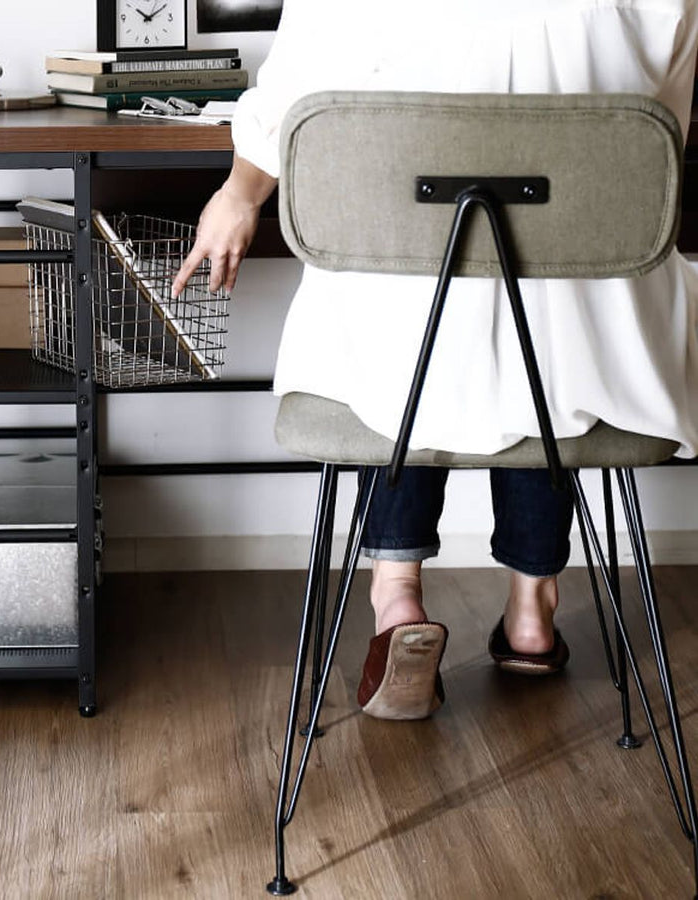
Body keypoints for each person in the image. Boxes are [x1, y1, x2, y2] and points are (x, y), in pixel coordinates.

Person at [173, 0, 698, 719]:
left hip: (393, 369)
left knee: (400, 312)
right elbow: (649, 155)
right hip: (584, 372)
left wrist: (238, 195)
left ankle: (395, 600)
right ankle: (532, 612)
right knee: (549, 310)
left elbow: (288, 103)